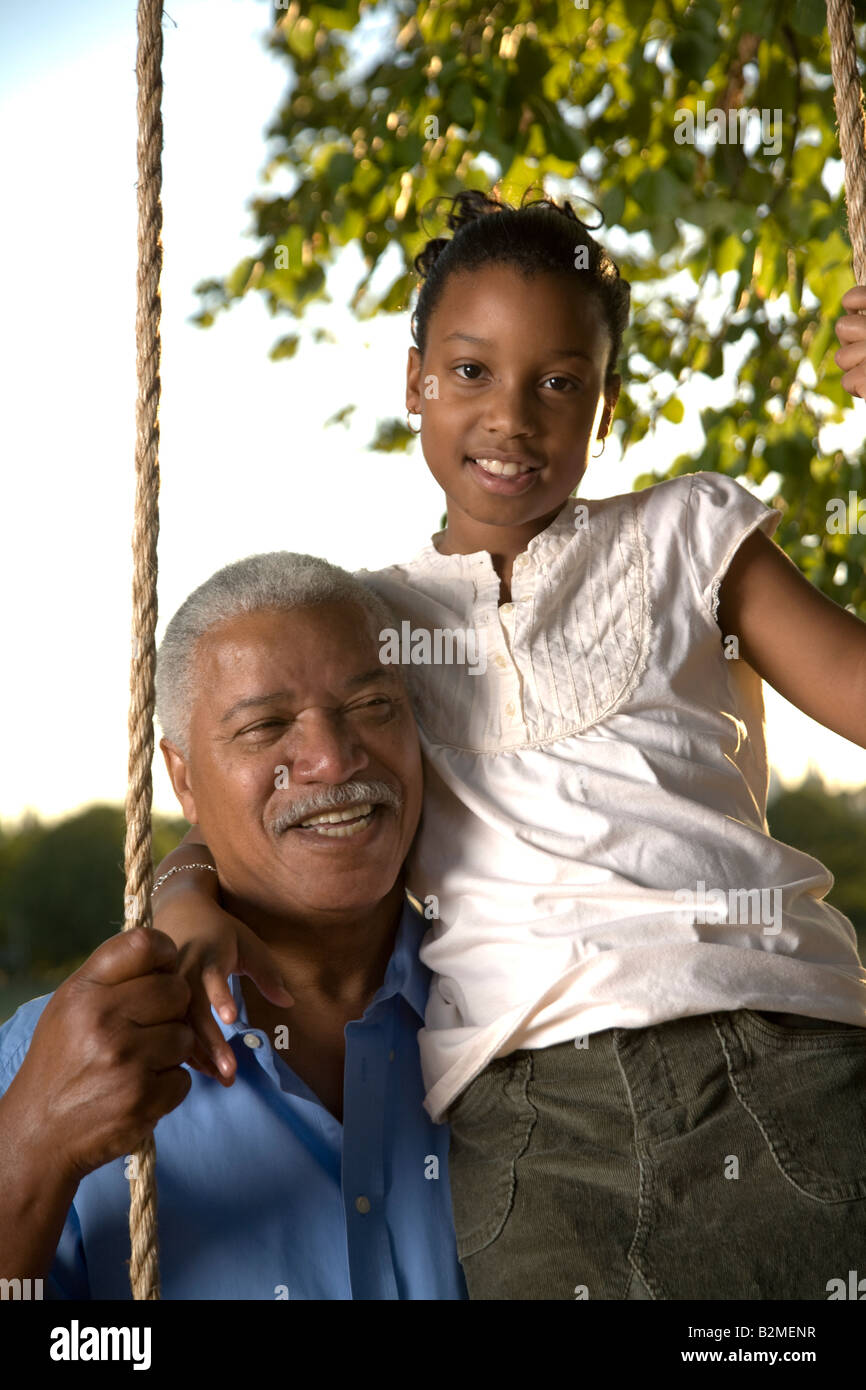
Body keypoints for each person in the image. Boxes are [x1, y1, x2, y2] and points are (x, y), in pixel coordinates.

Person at [152, 188, 866, 1301]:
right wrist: (180, 896)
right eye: (471, 371)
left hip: (765, 1047)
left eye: (559, 382)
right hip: (527, 1126)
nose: (512, 419)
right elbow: (270, 795)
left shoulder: (688, 537)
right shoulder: (367, 621)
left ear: (604, 403)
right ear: (413, 383)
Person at [0, 553, 466, 1300]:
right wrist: (28, 1155)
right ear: (181, 779)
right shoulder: (45, 1063)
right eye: (265, 725)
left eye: (374, 706)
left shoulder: (525, 1007)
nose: (332, 757)